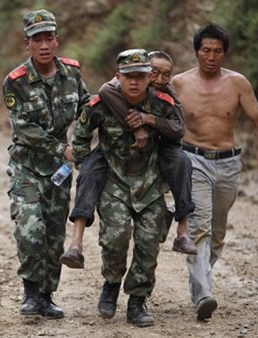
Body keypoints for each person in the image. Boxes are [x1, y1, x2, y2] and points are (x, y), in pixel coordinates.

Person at [171, 23, 258, 321]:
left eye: (217, 51)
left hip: (228, 162)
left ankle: (198, 282)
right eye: (206, 51)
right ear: (196, 52)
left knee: (216, 234)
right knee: (199, 227)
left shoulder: (238, 83)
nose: (211, 57)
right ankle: (204, 293)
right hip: (193, 158)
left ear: (225, 53)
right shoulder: (179, 83)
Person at [60, 50, 197, 271]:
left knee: (182, 161)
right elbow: (104, 93)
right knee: (88, 172)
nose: (159, 80)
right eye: (154, 73)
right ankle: (76, 243)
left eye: (165, 75)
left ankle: (183, 229)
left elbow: (178, 127)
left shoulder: (165, 97)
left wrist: (148, 120)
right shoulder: (113, 91)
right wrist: (136, 126)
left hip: (156, 153)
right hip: (113, 155)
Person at [72, 49, 179, 327]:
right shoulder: (100, 104)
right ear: (117, 77)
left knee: (148, 246)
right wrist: (87, 167)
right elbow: (81, 136)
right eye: (128, 76)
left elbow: (178, 130)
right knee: (115, 238)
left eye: (140, 76)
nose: (134, 82)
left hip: (150, 185)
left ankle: (137, 301)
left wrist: (152, 124)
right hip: (114, 183)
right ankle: (110, 284)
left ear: (148, 77)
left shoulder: (162, 103)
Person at [3, 9, 89, 319]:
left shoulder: (72, 74)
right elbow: (23, 128)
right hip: (26, 167)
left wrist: (83, 142)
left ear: (57, 41)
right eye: (36, 39)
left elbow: (87, 110)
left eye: (48, 38)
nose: (43, 45)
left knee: (54, 233)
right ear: (26, 43)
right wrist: (61, 148)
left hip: (59, 172)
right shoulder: (15, 82)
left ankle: (47, 295)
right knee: (31, 229)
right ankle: (29, 292)